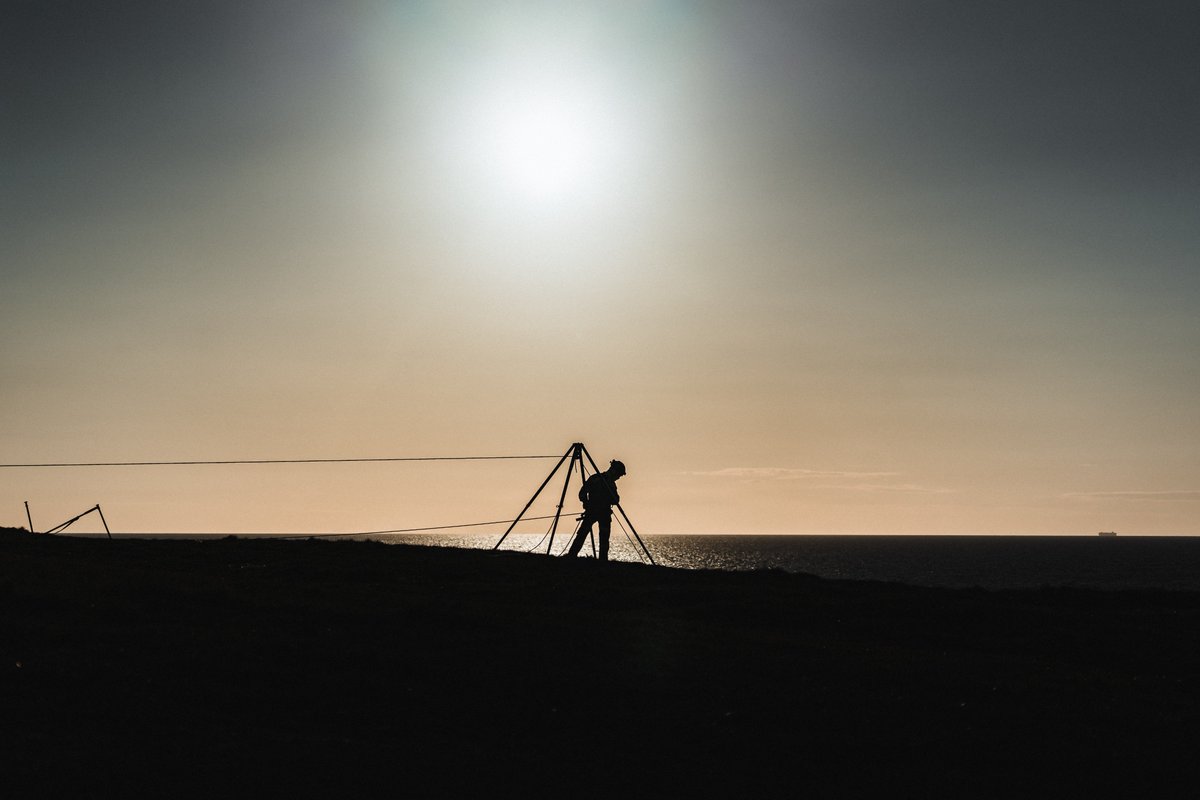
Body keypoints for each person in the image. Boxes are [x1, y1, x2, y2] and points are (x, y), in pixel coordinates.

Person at [564, 459, 626, 561]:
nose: (618, 477)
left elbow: (615, 500)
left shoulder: (604, 481)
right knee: (584, 535)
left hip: (602, 513)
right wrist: (586, 503)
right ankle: (572, 556)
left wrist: (586, 502)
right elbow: (583, 493)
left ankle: (601, 560)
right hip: (594, 512)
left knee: (603, 538)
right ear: (614, 471)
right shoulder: (598, 480)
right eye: (619, 474)